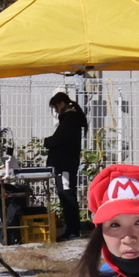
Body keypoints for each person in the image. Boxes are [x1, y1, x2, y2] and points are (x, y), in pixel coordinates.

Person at [46, 92, 90, 240]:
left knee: (67, 194)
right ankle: (72, 229)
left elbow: (60, 139)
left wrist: (48, 142)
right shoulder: (72, 118)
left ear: (61, 104)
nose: (56, 112)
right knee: (67, 194)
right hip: (66, 163)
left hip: (64, 164)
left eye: (55, 108)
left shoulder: (69, 119)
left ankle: (72, 230)